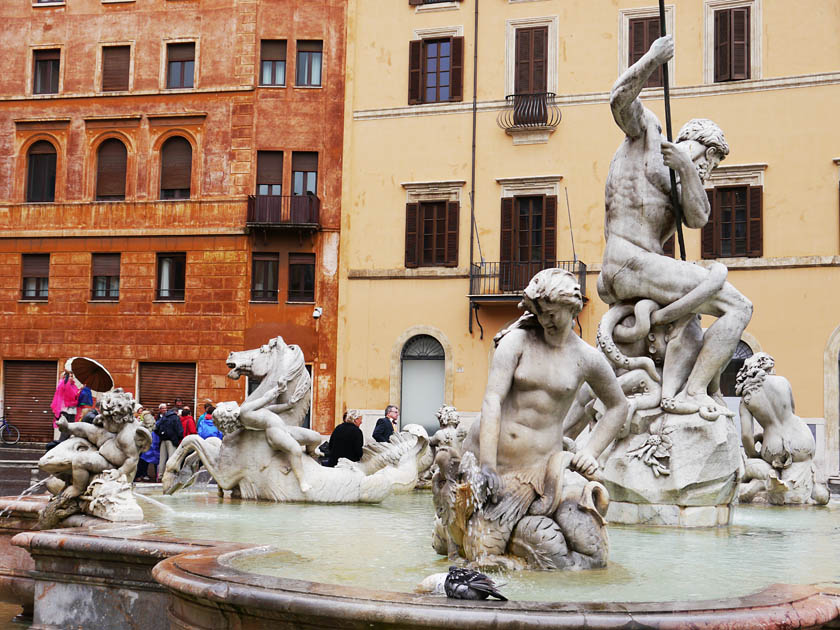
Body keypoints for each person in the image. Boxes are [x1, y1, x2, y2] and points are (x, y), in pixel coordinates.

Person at [601, 33, 751, 418]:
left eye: (712, 167)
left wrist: (686, 169)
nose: (708, 169)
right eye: (708, 158)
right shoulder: (647, 134)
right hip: (627, 257)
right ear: (695, 141)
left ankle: (685, 386)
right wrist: (652, 58)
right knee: (736, 305)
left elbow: (699, 218)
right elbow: (619, 99)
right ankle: (692, 393)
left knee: (706, 316)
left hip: (643, 269)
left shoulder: (684, 177)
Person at [463, 268, 628, 566]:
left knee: (590, 546)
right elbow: (492, 401)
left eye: (553, 313)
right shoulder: (517, 343)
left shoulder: (586, 358)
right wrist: (486, 465)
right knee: (479, 550)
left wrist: (591, 451)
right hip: (494, 461)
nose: (546, 321)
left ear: (572, 307)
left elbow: (618, 406)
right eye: (541, 313)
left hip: (542, 470)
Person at [155, 403, 183, 478]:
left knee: (162, 459)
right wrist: (178, 438)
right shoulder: (175, 417)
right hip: (172, 441)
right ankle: (170, 475)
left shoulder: (163, 418)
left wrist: (161, 435)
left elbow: (155, 428)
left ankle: (160, 475)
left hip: (163, 440)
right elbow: (179, 430)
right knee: (171, 458)